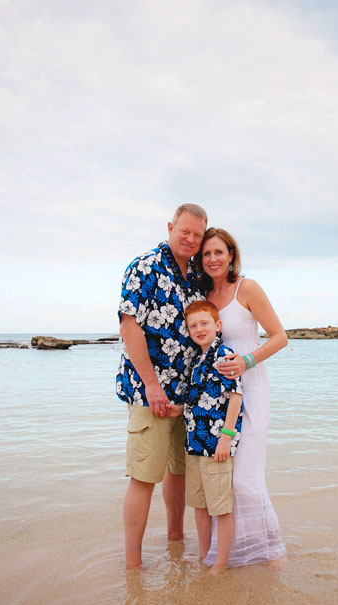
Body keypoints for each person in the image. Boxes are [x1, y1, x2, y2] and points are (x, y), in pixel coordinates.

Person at [117, 204, 207, 570]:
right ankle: (133, 563)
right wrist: (153, 386)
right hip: (149, 394)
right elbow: (129, 326)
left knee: (179, 471)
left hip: (187, 396)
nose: (191, 239)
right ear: (171, 227)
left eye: (198, 235)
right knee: (144, 477)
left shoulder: (196, 276)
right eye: (185, 231)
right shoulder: (145, 266)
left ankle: (175, 540)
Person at [199, 227, 288, 567]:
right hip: (216, 400)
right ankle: (234, 552)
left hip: (252, 390)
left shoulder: (246, 288)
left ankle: (272, 551)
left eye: (218, 252)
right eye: (206, 254)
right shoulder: (204, 294)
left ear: (231, 255)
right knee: (224, 476)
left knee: (245, 477)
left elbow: (280, 337)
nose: (212, 259)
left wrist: (247, 360)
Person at [170, 300, 243, 575]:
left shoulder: (224, 355)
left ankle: (221, 563)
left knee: (220, 507)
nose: (199, 329)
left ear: (217, 325)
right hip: (194, 445)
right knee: (199, 505)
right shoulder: (197, 359)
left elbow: (236, 397)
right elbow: (198, 398)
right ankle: (204, 556)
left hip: (216, 445)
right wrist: (178, 409)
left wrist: (226, 437)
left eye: (204, 323)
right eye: (193, 326)